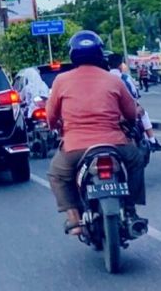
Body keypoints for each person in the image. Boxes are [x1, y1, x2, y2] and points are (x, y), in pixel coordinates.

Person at [46, 31, 147, 237]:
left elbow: (51, 116)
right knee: (136, 161)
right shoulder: (114, 80)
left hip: (75, 147)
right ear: (100, 54)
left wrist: (56, 127)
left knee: (57, 175)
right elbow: (130, 113)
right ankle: (130, 209)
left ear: (73, 55)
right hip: (115, 143)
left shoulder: (61, 80)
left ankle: (74, 219)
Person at [109, 54, 161, 152]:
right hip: (126, 110)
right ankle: (152, 141)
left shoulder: (104, 78)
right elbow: (134, 94)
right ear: (120, 65)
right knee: (144, 114)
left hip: (110, 112)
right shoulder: (125, 78)